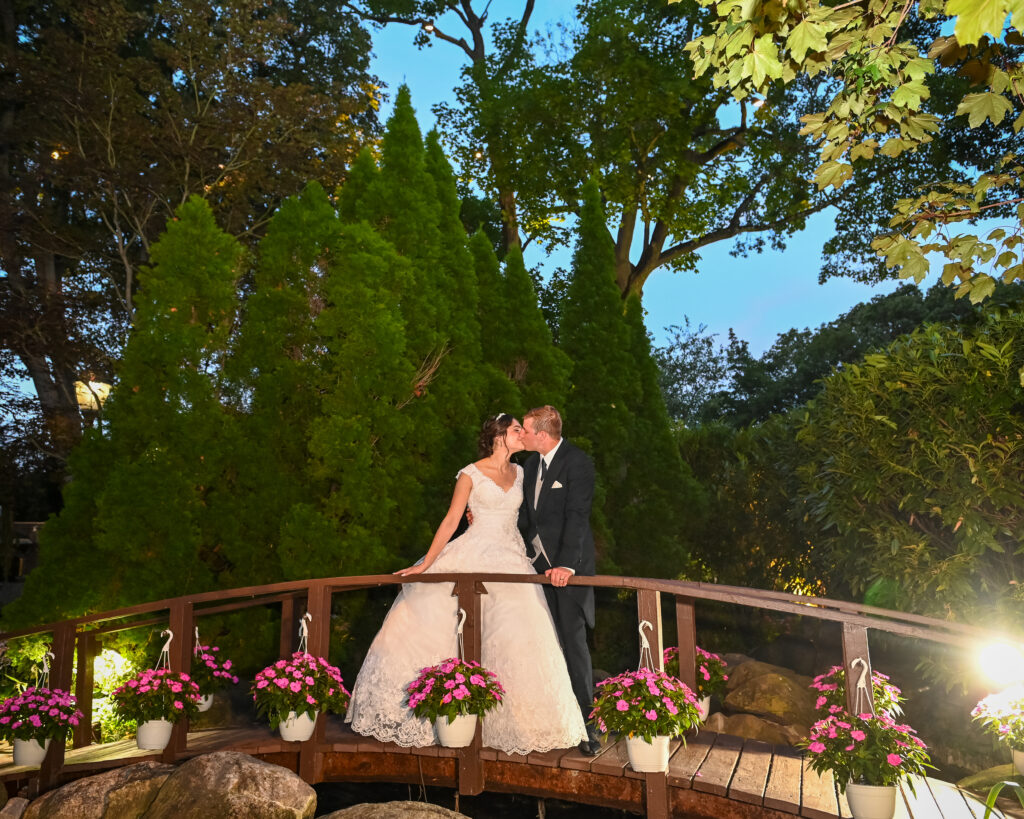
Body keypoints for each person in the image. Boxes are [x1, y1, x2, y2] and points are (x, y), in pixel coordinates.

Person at [346, 414, 587, 755]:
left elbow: (537, 514)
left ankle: (520, 723)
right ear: (499, 435)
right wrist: (426, 564)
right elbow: (450, 521)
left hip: (513, 560)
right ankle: (445, 716)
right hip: (474, 552)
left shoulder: (523, 472)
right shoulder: (469, 474)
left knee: (520, 635)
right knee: (442, 629)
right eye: (517, 429)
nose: (524, 434)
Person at [517, 405, 601, 755]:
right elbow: (526, 518)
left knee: (573, 644)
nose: (520, 435)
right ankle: (552, 721)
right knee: (542, 646)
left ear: (543, 434)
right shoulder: (530, 464)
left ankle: (588, 727)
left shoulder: (577, 462)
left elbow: (577, 516)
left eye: (525, 430)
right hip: (537, 573)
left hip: (570, 573)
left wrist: (566, 565)